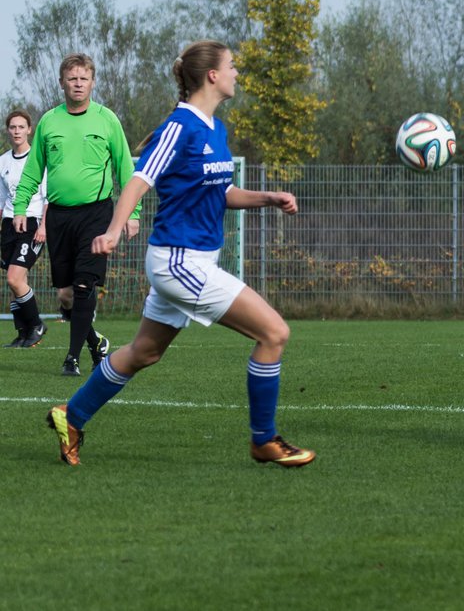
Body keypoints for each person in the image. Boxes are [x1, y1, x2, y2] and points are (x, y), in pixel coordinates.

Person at [45, 40, 314, 468]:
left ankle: (71, 416)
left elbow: (221, 192)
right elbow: (138, 179)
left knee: (143, 353)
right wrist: (113, 230)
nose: (236, 73)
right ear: (212, 75)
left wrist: (267, 197)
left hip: (194, 260)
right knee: (274, 333)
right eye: (232, 66)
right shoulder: (181, 126)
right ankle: (264, 440)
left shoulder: (215, 129)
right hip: (178, 261)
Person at [13, 53, 138, 376]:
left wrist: (132, 213)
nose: (78, 84)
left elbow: (127, 170)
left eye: (84, 78)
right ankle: (95, 342)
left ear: (92, 82)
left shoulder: (107, 119)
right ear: (62, 83)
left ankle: (72, 358)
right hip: (59, 218)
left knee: (85, 285)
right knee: (66, 294)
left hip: (96, 214)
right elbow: (32, 171)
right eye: (72, 78)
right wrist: (19, 208)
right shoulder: (49, 122)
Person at [1, 110, 49, 349]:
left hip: (32, 224)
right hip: (9, 225)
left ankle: (37, 324)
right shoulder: (3, 161)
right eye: (13, 127)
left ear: (30, 129)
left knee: (14, 277)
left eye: (22, 127)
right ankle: (23, 333)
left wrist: (44, 226)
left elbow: (49, 197)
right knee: (15, 280)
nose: (17, 131)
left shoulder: (39, 160)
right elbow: (1, 201)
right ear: (8, 130)